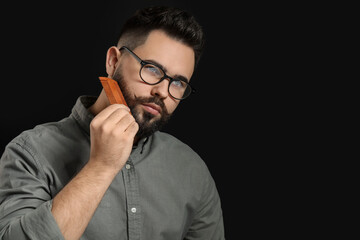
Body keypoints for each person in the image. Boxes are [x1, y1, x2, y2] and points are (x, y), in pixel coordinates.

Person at [0, 6, 224, 240]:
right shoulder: (30, 152)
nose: (162, 92)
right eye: (152, 69)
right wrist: (101, 167)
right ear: (113, 61)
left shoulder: (191, 169)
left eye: (178, 83)